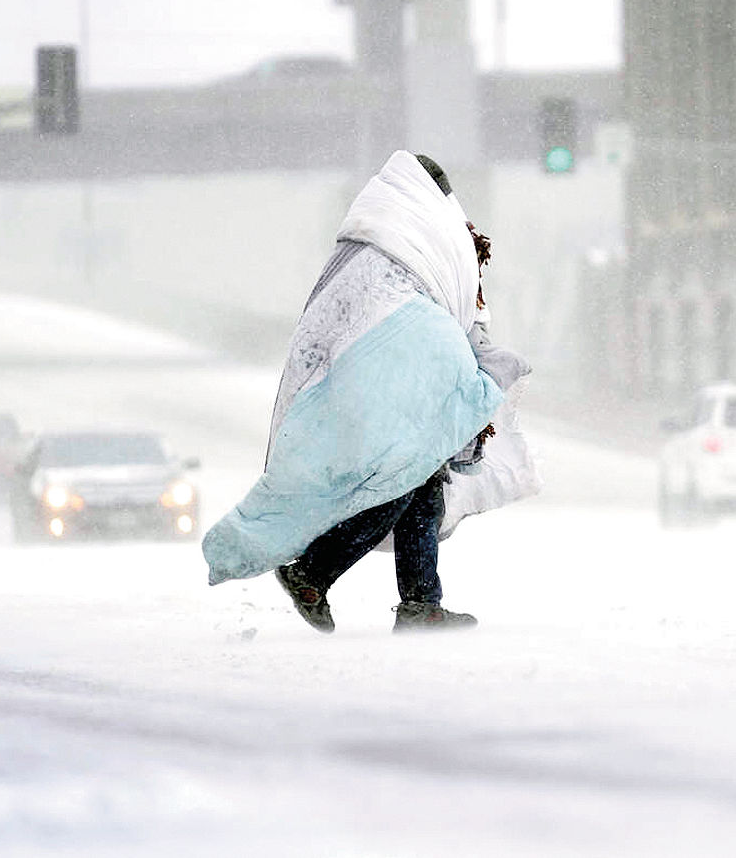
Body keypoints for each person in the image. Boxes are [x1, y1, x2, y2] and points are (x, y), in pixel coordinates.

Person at [202, 150, 539, 633]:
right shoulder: (420, 240)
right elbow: (434, 315)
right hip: (389, 382)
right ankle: (314, 570)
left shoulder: (373, 242)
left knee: (422, 484)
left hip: (360, 379)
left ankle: (421, 602)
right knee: (399, 480)